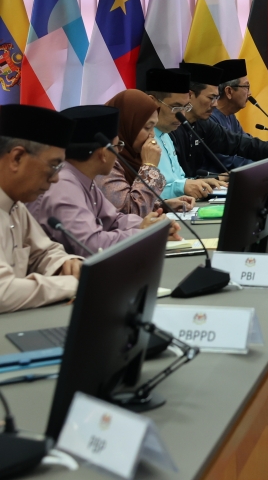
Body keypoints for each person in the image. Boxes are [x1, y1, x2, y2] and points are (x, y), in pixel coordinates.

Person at [28, 106, 181, 254]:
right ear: (103, 154)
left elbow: (113, 220)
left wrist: (149, 225)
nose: (119, 152)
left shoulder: (82, 178)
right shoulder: (63, 186)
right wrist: (143, 234)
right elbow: (91, 246)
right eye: (118, 145)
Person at [0, 105, 87, 313]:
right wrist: (73, 284)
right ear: (17, 158)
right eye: (54, 166)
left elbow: (43, 252)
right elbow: (2, 292)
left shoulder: (15, 205)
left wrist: (67, 263)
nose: (56, 178)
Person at [171, 62, 268, 177]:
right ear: (190, 95)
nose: (215, 104)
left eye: (216, 98)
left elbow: (240, 143)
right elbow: (230, 163)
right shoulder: (172, 128)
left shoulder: (204, 124)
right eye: (211, 98)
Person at [98, 89, 195, 216]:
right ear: (127, 125)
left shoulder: (133, 155)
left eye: (153, 127)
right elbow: (132, 212)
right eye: (147, 127)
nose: (152, 135)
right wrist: (149, 167)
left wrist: (162, 206)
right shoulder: (106, 161)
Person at [209, 58, 268, 169]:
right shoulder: (210, 121)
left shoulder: (230, 117)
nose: (250, 93)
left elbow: (252, 148)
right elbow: (232, 164)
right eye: (246, 87)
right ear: (229, 91)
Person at [146, 68, 223, 200]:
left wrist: (200, 183)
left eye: (186, 107)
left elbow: (178, 179)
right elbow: (144, 194)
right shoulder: (140, 140)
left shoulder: (166, 134)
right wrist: (182, 187)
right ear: (153, 102)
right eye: (175, 107)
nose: (182, 115)